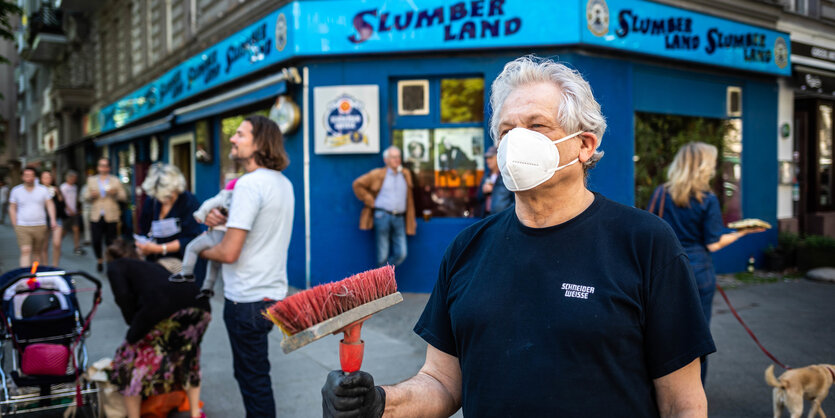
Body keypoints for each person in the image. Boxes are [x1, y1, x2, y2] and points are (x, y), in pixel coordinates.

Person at [322, 56, 714, 417]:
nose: (516, 141)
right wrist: (378, 404)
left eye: (537, 125)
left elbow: (683, 403)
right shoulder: (467, 249)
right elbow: (442, 381)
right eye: (506, 130)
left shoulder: (644, 243)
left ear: (584, 144)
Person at [199, 115, 293, 418]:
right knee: (256, 377)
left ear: (258, 143)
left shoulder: (249, 185)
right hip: (271, 296)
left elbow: (228, 252)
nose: (232, 139)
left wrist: (198, 249)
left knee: (253, 383)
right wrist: (222, 220)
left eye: (240, 134)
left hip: (245, 300)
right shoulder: (282, 183)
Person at [648, 142, 764, 384]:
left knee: (662, 332)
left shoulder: (661, 193)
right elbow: (713, 243)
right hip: (699, 272)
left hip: (664, 270)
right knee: (696, 338)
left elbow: (650, 230)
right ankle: (692, 396)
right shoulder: (707, 199)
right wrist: (742, 233)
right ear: (702, 167)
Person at [105, 239, 210, 418]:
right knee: (189, 355)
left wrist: (133, 333)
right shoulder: (152, 268)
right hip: (201, 307)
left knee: (131, 361)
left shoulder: (116, 266)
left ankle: (134, 415)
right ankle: (195, 413)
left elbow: (124, 299)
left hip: (164, 309)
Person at [169, 177, 239, 300]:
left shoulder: (225, 196)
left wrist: (200, 215)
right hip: (227, 237)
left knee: (191, 248)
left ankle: (186, 273)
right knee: (213, 265)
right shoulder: (240, 202)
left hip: (216, 234)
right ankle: (208, 288)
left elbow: (208, 204)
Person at [352, 146, 416, 267]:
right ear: (386, 160)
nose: (397, 160)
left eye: (398, 157)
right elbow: (357, 184)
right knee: (382, 255)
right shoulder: (378, 174)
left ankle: (384, 275)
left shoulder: (405, 174)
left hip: (400, 218)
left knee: (401, 253)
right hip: (382, 216)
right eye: (393, 157)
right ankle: (382, 285)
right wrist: (369, 200)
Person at [9, 167, 56, 267]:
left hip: (40, 225)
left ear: (35, 177)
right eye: (26, 176)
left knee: (37, 252)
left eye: (31, 176)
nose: (29, 178)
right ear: (22, 177)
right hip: (22, 226)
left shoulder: (43, 190)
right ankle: (25, 277)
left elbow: (50, 205)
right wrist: (15, 224)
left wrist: (52, 219)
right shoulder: (16, 190)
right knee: (25, 250)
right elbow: (12, 207)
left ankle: (34, 277)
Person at [86, 158, 127, 272]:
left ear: (109, 168)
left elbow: (123, 197)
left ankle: (110, 261)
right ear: (98, 167)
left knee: (110, 241)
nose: (103, 168)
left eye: (105, 166)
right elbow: (85, 197)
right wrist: (91, 196)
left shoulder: (115, 180)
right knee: (96, 240)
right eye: (101, 165)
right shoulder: (91, 180)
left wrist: (115, 193)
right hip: (96, 215)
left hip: (111, 216)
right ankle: (99, 259)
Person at [476, 145, 513, 217]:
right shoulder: (486, 176)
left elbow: (515, 199)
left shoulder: (505, 176)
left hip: (503, 217)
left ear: (498, 158)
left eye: (490, 158)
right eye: (486, 158)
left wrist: (508, 214)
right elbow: (478, 198)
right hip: (487, 217)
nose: (488, 161)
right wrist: (483, 191)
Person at [39, 170, 65, 266]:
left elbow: (62, 206)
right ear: (41, 179)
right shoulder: (38, 190)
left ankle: (55, 266)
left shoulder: (56, 189)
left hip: (56, 219)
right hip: (42, 220)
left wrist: (58, 194)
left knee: (57, 244)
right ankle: (45, 267)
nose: (47, 179)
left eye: (49, 177)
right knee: (44, 246)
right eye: (44, 177)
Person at [60, 170, 85, 255]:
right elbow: (62, 200)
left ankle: (76, 247)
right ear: (69, 178)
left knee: (76, 229)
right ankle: (57, 244)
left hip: (74, 213)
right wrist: (69, 209)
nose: (75, 180)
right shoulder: (63, 187)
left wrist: (77, 209)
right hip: (66, 213)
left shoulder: (74, 187)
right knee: (64, 231)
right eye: (73, 178)